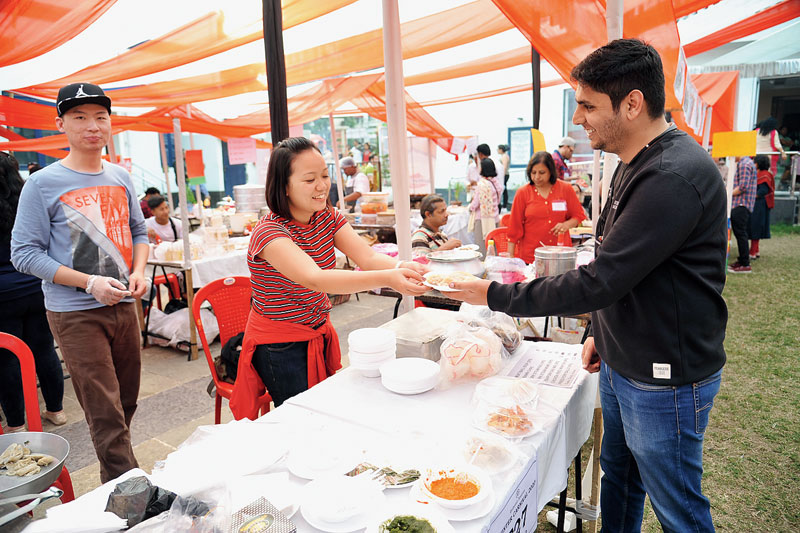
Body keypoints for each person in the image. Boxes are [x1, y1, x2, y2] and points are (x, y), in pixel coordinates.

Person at [448, 39, 727, 532]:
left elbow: (601, 278)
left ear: (633, 103)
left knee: (677, 507)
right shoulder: (636, 163)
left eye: (589, 105)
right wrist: (601, 331)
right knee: (619, 478)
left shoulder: (671, 176)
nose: (579, 119)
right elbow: (619, 263)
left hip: (663, 376)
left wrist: (493, 294)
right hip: (626, 360)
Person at [11, 82, 149, 483]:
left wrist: (138, 271)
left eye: (100, 117)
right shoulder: (42, 183)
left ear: (110, 124)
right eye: (80, 117)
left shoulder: (121, 176)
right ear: (61, 124)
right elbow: (24, 254)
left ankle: (118, 482)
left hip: (124, 304)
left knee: (125, 402)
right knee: (104, 409)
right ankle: (135, 492)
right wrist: (89, 283)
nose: (93, 126)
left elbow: (138, 232)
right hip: (75, 314)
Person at [230, 137, 427, 417]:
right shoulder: (269, 233)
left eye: (324, 175)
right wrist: (389, 278)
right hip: (279, 343)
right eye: (310, 179)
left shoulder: (327, 217)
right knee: (301, 417)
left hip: (316, 327)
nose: (322, 186)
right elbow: (315, 278)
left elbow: (368, 257)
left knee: (325, 410)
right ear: (284, 186)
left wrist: (405, 267)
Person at [1, 152, 66, 432]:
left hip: (3, 295)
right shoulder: (27, 201)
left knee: (6, 359)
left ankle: (16, 424)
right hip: (36, 284)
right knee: (43, 349)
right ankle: (56, 410)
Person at [506, 151, 585, 263]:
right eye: (533, 173)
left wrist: (566, 225)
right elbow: (514, 227)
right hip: (531, 256)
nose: (537, 177)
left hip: (561, 254)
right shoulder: (523, 193)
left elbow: (578, 215)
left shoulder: (565, 189)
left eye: (542, 172)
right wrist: (510, 259)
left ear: (551, 172)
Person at [729, 155, 757, 274]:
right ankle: (742, 261)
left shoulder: (744, 164)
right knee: (740, 233)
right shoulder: (746, 163)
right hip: (742, 204)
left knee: (740, 234)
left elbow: (743, 187)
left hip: (740, 204)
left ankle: (745, 263)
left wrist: (728, 193)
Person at [469, 159, 500, 254]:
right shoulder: (496, 183)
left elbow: (475, 204)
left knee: (482, 247)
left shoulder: (482, 184)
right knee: (493, 247)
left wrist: (469, 208)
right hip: (495, 218)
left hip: (482, 220)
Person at [747, 154, 774, 260]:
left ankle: (753, 251)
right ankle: (756, 250)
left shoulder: (765, 175)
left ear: (758, 164)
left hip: (760, 204)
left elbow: (763, 191)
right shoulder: (761, 173)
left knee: (755, 227)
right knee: (755, 227)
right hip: (758, 203)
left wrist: (751, 196)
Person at [497, 144, 511, 209]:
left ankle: (504, 205)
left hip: (504, 175)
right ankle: (504, 205)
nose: (497, 150)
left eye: (498, 149)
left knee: (503, 189)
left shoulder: (504, 156)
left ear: (501, 150)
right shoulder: (504, 156)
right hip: (504, 174)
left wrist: (502, 175)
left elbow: (504, 167)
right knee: (503, 189)